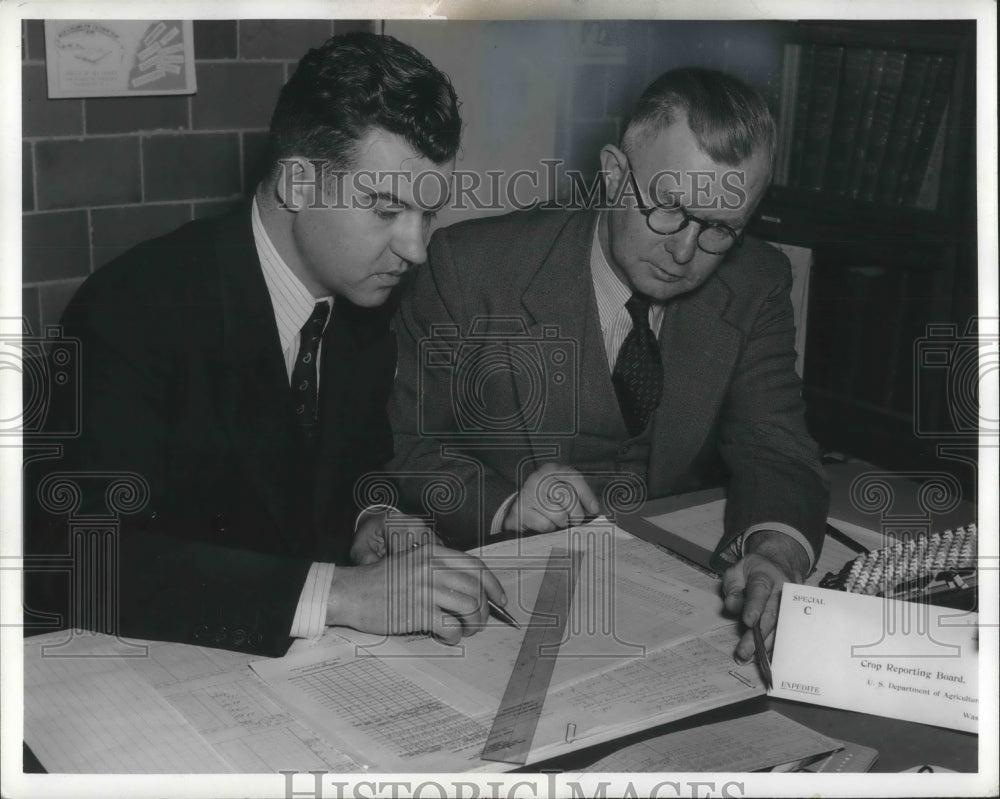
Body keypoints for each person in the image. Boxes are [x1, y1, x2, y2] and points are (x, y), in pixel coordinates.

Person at [23, 32, 506, 658]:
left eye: (428, 214)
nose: (415, 249)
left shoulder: (366, 303)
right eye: (386, 210)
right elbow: (84, 557)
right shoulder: (133, 307)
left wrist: (370, 521)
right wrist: (342, 593)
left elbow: (343, 473)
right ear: (298, 184)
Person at [386, 67, 829, 662]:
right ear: (615, 173)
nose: (684, 251)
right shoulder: (469, 269)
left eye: (721, 228)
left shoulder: (757, 281)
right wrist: (505, 505)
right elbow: (404, 449)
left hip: (674, 604)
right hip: (497, 598)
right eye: (667, 208)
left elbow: (776, 448)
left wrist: (775, 554)